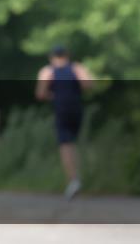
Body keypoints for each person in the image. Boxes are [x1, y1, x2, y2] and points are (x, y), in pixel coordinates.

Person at [36, 45, 92, 200]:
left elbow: (40, 93)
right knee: (73, 143)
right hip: (77, 109)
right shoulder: (77, 68)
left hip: (61, 110)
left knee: (65, 145)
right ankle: (77, 177)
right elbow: (88, 85)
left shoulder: (48, 71)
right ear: (67, 56)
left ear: (52, 57)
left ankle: (73, 180)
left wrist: (53, 96)